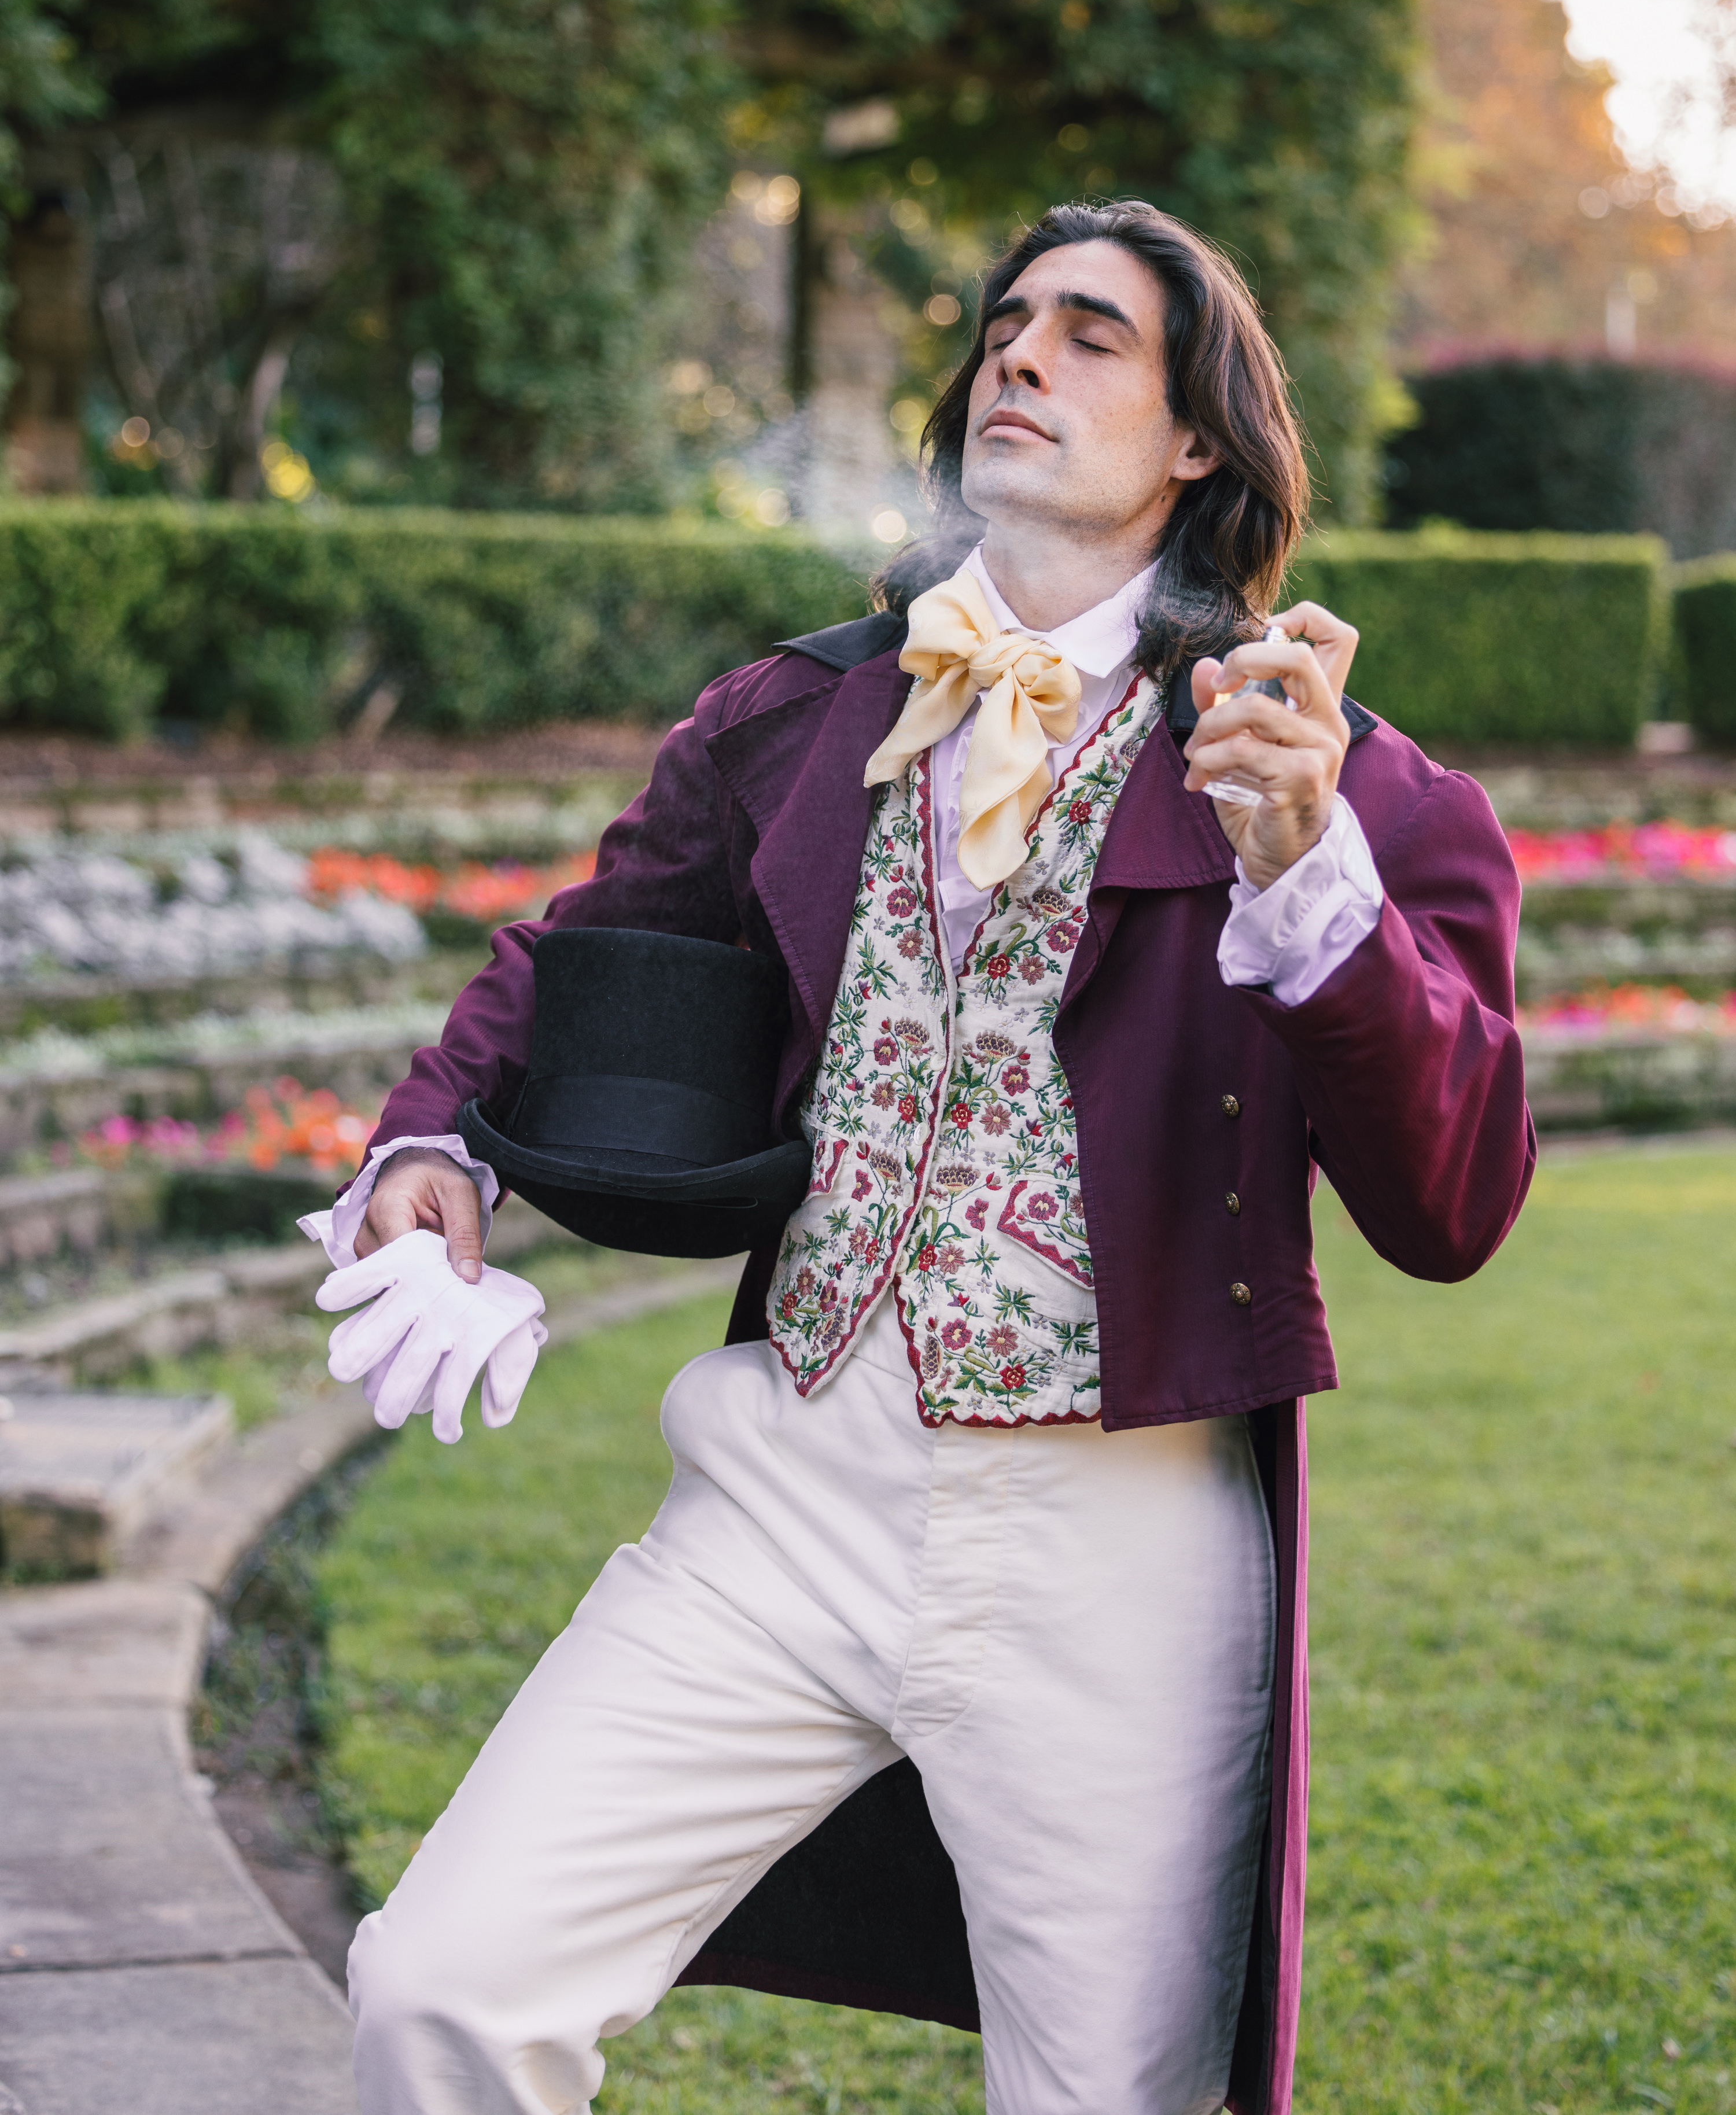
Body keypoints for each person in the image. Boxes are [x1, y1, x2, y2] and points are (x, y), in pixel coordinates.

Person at [313, 199, 1533, 2115]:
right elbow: (588, 952)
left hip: (1110, 1543)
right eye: (1004, 325)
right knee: (443, 1983)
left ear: (1198, 434)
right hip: (779, 1492)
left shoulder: (1346, 783)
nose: (1019, 357)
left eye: (1089, 335)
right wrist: (432, 1149)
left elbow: (1453, 1201)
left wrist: (1308, 877)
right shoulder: (804, 714)